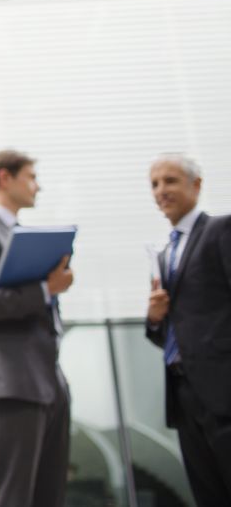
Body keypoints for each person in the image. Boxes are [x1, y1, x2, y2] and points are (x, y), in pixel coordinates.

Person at [0, 150, 72, 507]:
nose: (38, 185)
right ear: (5, 178)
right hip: (13, 381)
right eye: (31, 177)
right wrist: (45, 289)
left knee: (48, 495)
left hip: (50, 379)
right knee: (14, 495)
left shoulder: (24, 234)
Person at [145, 154, 231, 506]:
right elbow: (163, 333)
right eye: (154, 184)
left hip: (224, 389)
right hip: (184, 393)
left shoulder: (221, 230)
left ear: (196, 185)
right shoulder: (165, 254)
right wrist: (153, 317)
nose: (161, 190)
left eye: (170, 181)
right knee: (208, 493)